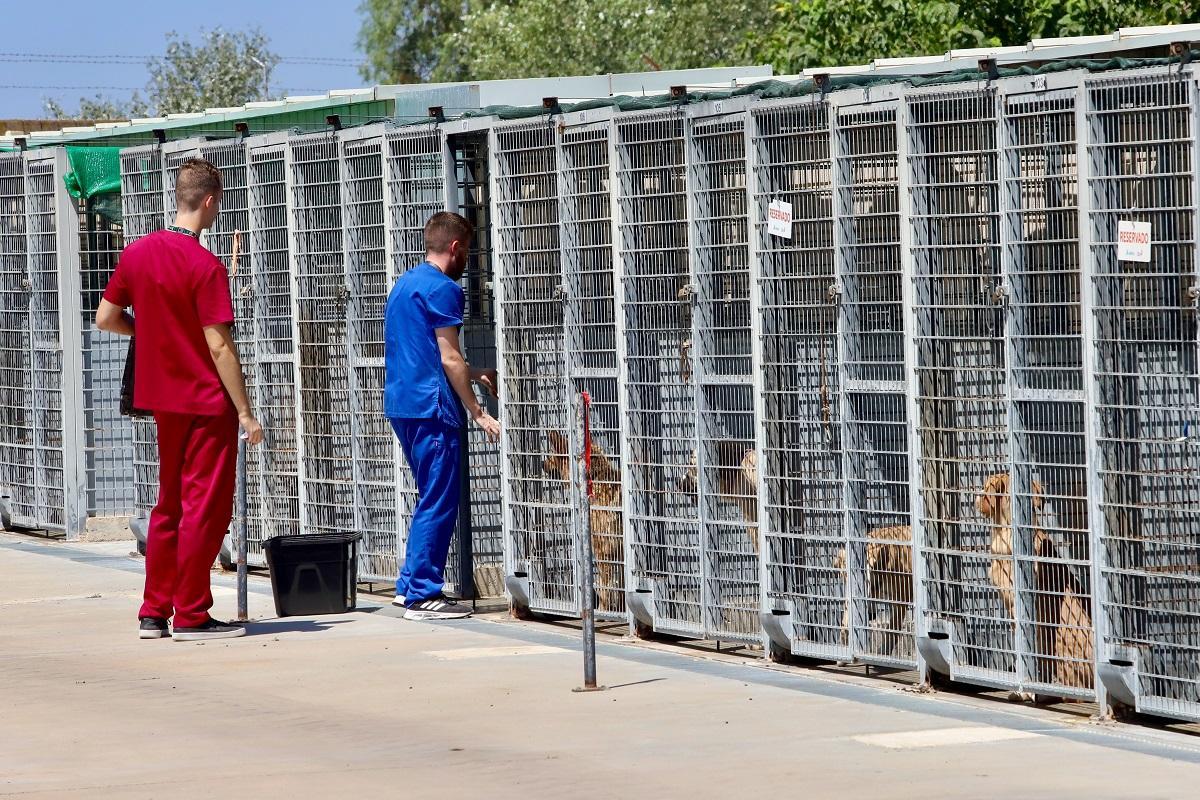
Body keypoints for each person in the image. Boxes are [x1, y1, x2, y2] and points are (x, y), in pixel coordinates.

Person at [96, 158, 264, 642]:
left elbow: (106, 317)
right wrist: (246, 411)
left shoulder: (137, 253)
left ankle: (154, 611)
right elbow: (219, 345)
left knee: (168, 504)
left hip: (163, 400)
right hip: (207, 401)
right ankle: (192, 613)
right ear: (210, 200)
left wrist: (145, 333)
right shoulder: (206, 265)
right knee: (205, 506)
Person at [385, 211, 499, 620]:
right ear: (455, 248)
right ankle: (422, 593)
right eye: (466, 250)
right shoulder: (445, 290)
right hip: (433, 409)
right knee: (439, 498)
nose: (467, 258)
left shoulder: (404, 285)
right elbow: (449, 357)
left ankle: (408, 585)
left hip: (403, 404)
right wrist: (478, 411)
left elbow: (427, 355)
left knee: (428, 495)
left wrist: (476, 373)